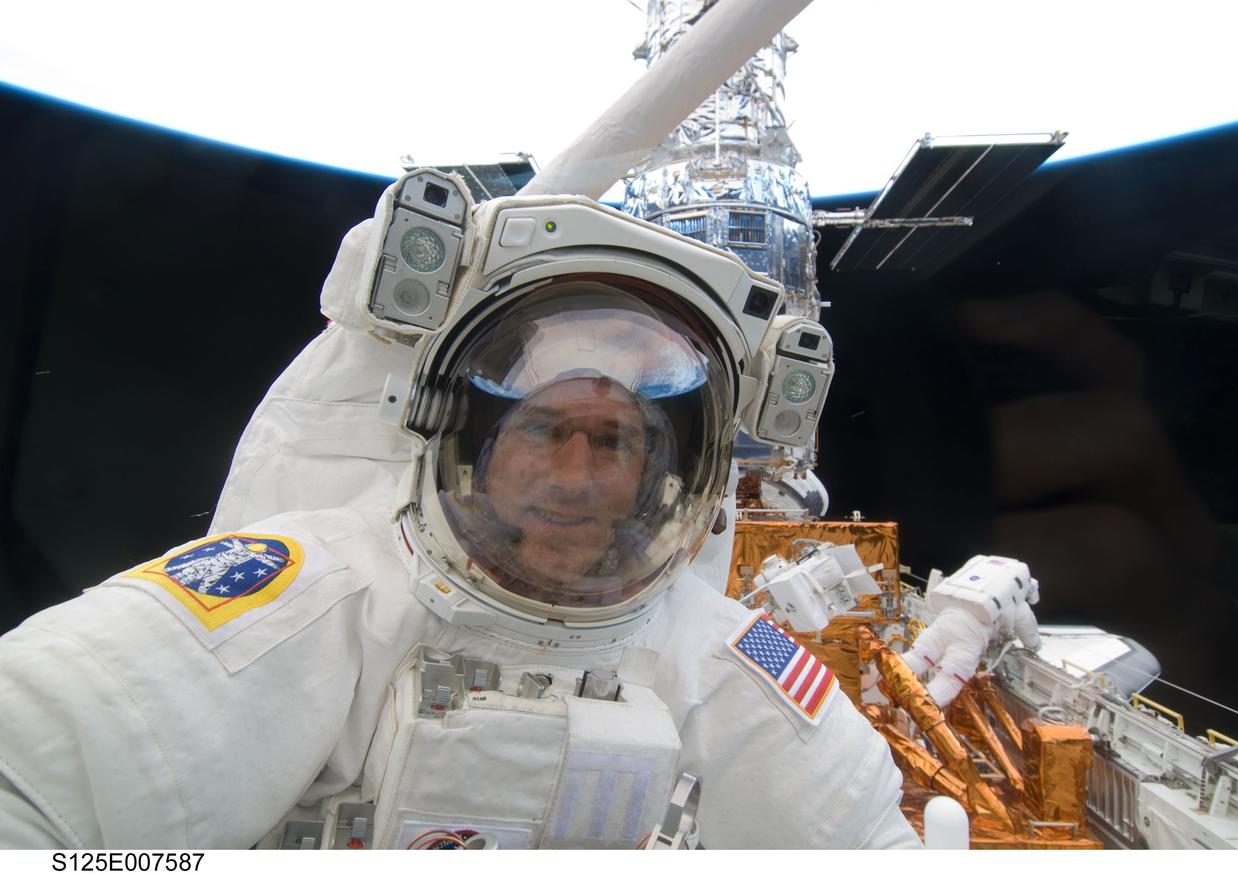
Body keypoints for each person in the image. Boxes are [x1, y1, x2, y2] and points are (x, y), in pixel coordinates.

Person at [0, 177, 920, 849]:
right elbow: (42, 751)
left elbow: (857, 832)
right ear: (473, 446)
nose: (574, 474)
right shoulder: (320, 598)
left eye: (614, 441)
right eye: (545, 429)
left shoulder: (714, 656)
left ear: (663, 478)